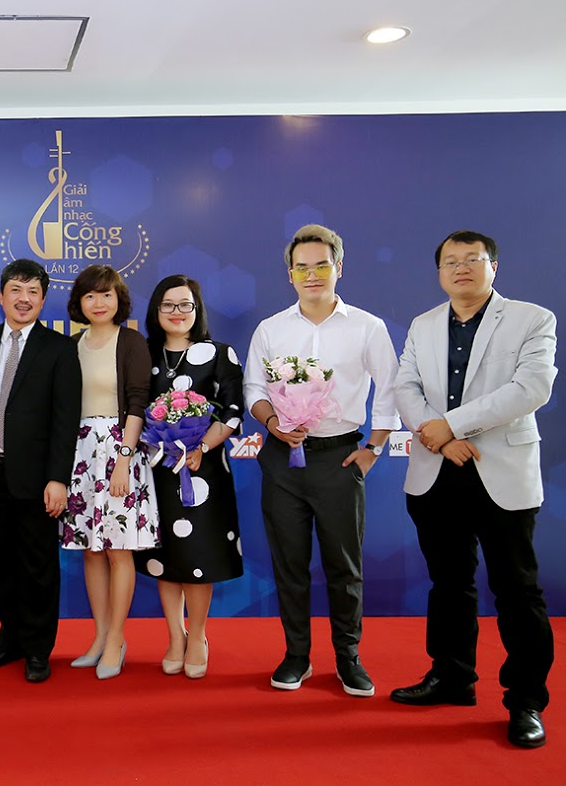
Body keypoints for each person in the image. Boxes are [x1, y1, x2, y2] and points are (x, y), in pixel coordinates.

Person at [390, 231, 556, 749]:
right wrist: (440, 439)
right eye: (450, 261)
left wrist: (453, 426)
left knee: (517, 590)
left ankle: (525, 700)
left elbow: (531, 389)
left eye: (472, 259)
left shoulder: (532, 319)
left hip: (500, 471)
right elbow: (405, 387)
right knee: (449, 583)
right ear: (439, 272)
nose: (460, 268)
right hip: (437, 470)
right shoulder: (423, 324)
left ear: (493, 266)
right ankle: (452, 676)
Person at [243, 224, 399, 697]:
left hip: (340, 458)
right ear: (289, 274)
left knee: (344, 566)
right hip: (281, 460)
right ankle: (297, 655)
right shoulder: (271, 329)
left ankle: (348, 658)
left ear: (339, 268)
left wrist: (374, 448)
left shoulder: (367, 326)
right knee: (289, 564)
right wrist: (272, 422)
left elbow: (390, 387)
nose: (312, 275)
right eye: (302, 267)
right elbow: (253, 388)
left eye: (321, 265)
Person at [0, 258, 81, 683]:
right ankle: (10, 639)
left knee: (38, 566)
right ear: (1, 296)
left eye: (33, 291)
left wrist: (58, 478)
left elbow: (66, 419)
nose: (24, 298)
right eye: (16, 289)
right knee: (0, 565)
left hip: (37, 478)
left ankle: (37, 649)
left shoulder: (59, 349)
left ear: (43, 299)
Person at [135, 275, 244, 679]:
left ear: (197, 310)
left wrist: (201, 448)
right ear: (156, 310)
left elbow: (233, 410)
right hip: (158, 469)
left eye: (185, 305)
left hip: (204, 470)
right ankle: (175, 636)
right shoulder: (143, 353)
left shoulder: (219, 353)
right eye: (168, 305)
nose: (177, 312)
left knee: (197, 554)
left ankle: (197, 636)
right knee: (166, 557)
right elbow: (134, 408)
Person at [60, 265, 159, 680]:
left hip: (120, 453)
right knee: (91, 550)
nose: (99, 303)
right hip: (80, 455)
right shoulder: (72, 345)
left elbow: (138, 402)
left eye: (106, 295)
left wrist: (124, 459)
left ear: (119, 300)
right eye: (90, 295)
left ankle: (117, 639)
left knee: (119, 550)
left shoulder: (132, 342)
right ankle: (99, 637)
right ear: (79, 303)